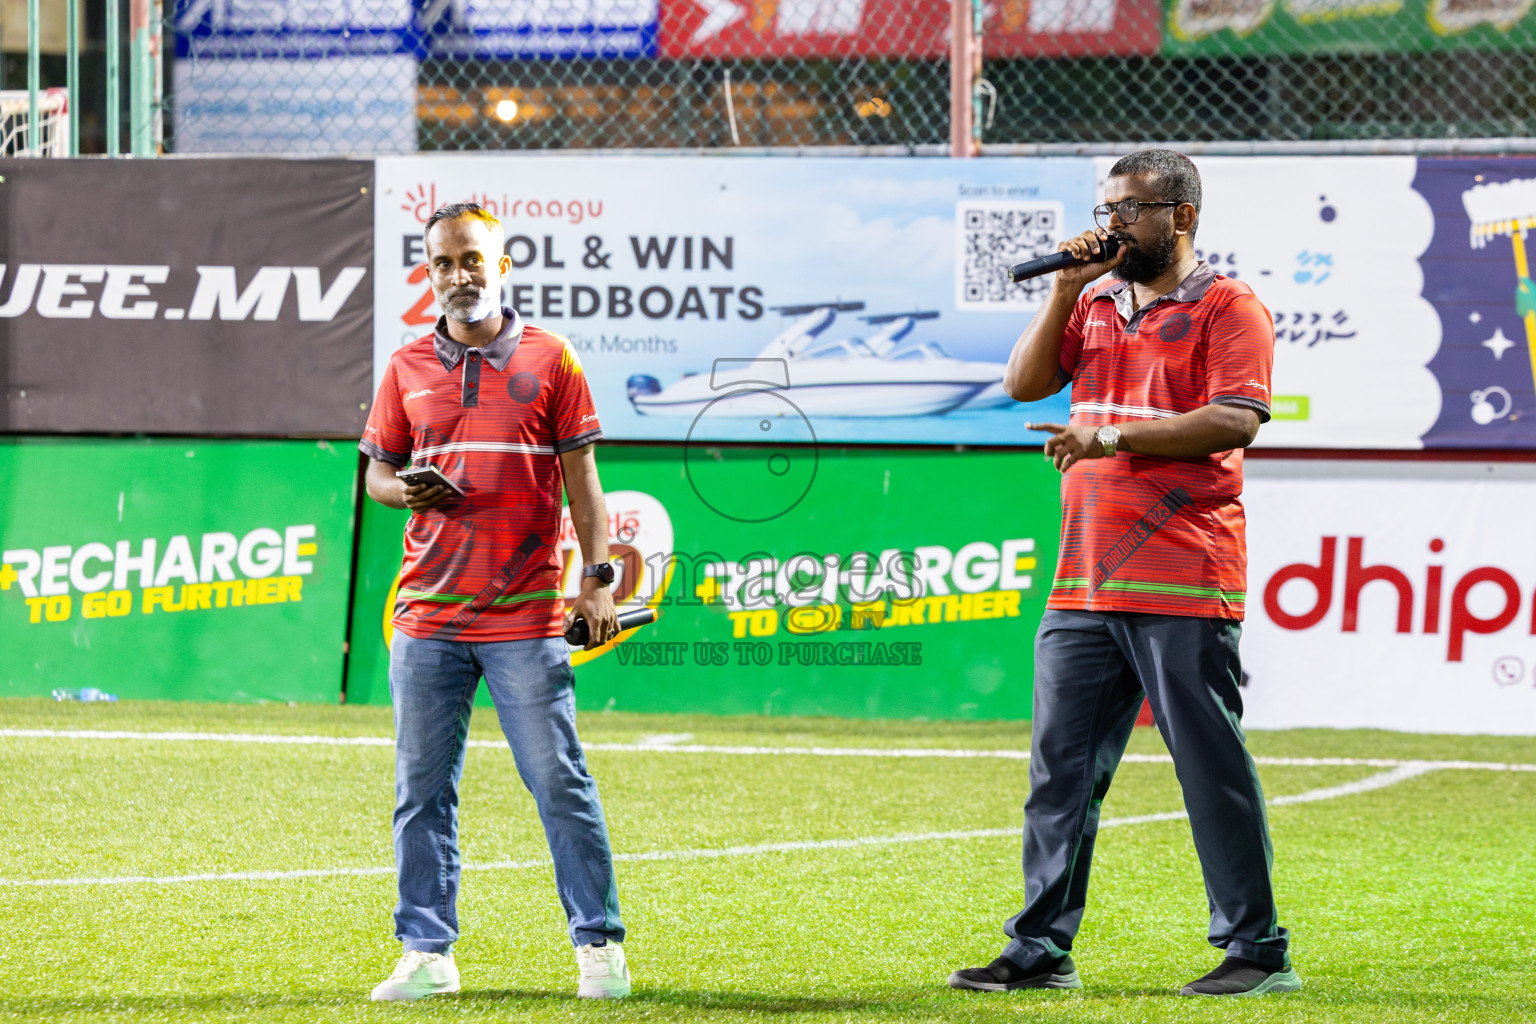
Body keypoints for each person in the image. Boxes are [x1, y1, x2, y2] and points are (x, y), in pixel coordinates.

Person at [948, 150, 1299, 998]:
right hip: (1084, 580)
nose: (1113, 223)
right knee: (1059, 771)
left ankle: (1256, 950)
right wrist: (1065, 289)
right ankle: (1039, 948)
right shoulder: (1096, 298)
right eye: (1107, 206)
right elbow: (1024, 382)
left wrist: (1109, 438)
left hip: (1184, 573)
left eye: (1133, 209)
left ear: (1180, 215)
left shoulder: (1228, 305)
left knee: (1207, 764)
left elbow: (1235, 421)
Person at [359, 201, 630, 1002]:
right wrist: (402, 487)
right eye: (442, 263)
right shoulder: (406, 366)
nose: (458, 275)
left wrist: (597, 579)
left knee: (560, 784)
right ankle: (427, 953)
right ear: (429, 274)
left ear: (502, 265)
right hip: (427, 619)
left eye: (471, 258)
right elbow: (373, 475)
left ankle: (599, 945)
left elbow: (583, 481)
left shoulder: (552, 359)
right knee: (421, 793)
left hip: (525, 619)